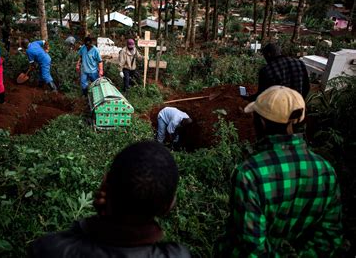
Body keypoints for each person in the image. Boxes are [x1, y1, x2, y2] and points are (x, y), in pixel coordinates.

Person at [220, 86, 343, 257]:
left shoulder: (250, 174)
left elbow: (253, 246)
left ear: (261, 122)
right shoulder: (326, 171)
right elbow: (329, 238)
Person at [28, 141, 191, 258]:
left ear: (104, 182)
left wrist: (97, 221)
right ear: (169, 206)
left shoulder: (47, 249)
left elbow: (68, 242)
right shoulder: (178, 254)